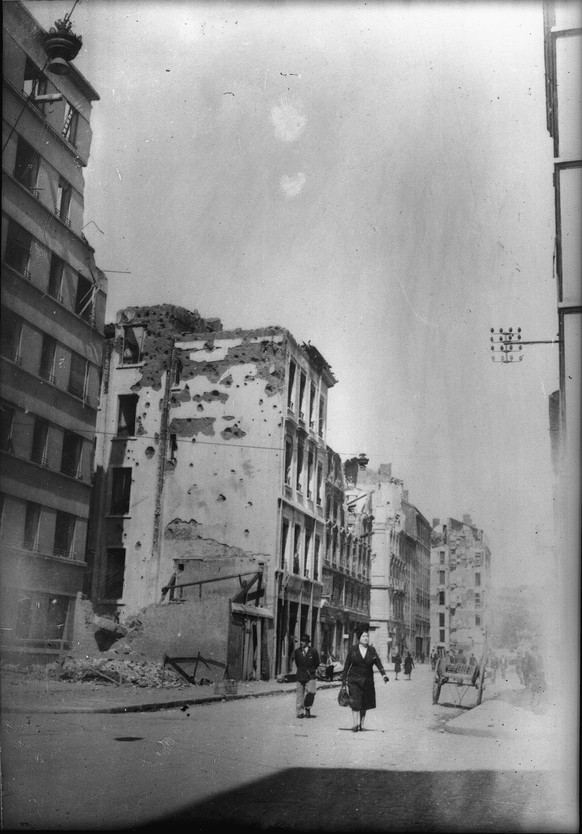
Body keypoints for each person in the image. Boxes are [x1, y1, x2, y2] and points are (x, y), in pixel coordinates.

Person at [342, 626, 389, 732]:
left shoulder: (372, 650)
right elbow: (347, 665)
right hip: (354, 680)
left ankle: (361, 724)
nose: (366, 638)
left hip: (367, 680)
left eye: (367, 636)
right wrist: (344, 680)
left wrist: (384, 675)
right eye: (363, 636)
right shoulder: (353, 650)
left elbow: (378, 663)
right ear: (359, 637)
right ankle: (355, 724)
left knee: (364, 703)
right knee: (355, 702)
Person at [293, 633, 320, 719]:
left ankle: (307, 708)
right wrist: (302, 670)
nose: (302, 643)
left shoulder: (313, 651)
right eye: (301, 641)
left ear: (308, 642)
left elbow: (317, 663)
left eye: (304, 641)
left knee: (311, 692)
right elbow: (297, 663)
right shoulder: (297, 652)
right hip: (300, 675)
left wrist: (310, 670)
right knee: (299, 695)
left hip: (310, 675)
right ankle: (300, 712)